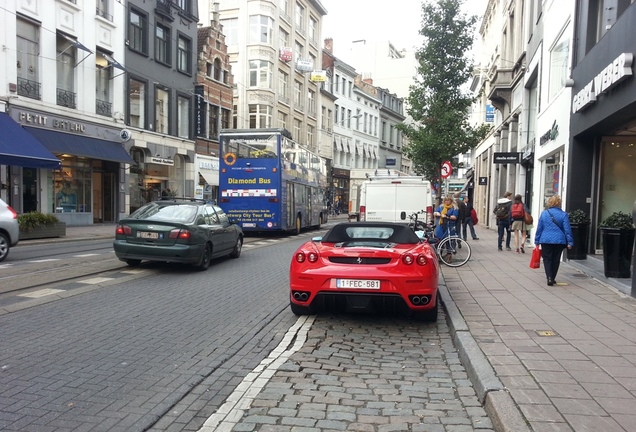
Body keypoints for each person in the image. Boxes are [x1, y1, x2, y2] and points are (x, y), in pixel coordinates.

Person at [534, 195, 574, 286]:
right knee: (556, 259)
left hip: (546, 240)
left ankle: (549, 277)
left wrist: (537, 241)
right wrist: (570, 242)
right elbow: (567, 229)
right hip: (559, 241)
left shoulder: (544, 214)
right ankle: (553, 277)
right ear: (559, 203)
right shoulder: (564, 215)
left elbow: (539, 228)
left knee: (547, 259)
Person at [433, 195, 459, 262]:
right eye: (445, 200)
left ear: (451, 201)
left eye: (448, 200)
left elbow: (455, 217)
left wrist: (447, 216)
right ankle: (439, 255)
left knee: (449, 240)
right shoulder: (441, 207)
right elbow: (435, 212)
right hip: (440, 225)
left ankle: (449, 256)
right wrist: (438, 214)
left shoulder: (454, 208)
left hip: (449, 226)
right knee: (439, 240)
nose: (447, 202)